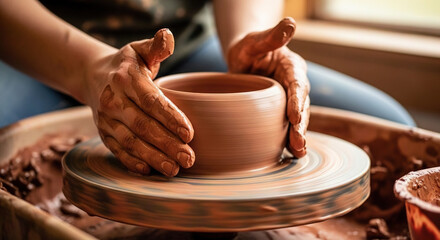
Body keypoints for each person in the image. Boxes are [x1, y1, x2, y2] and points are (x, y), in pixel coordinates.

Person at [0, 0, 414, 177]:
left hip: (190, 46)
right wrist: (87, 70)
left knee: (392, 135)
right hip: (44, 49)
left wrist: (248, 42)